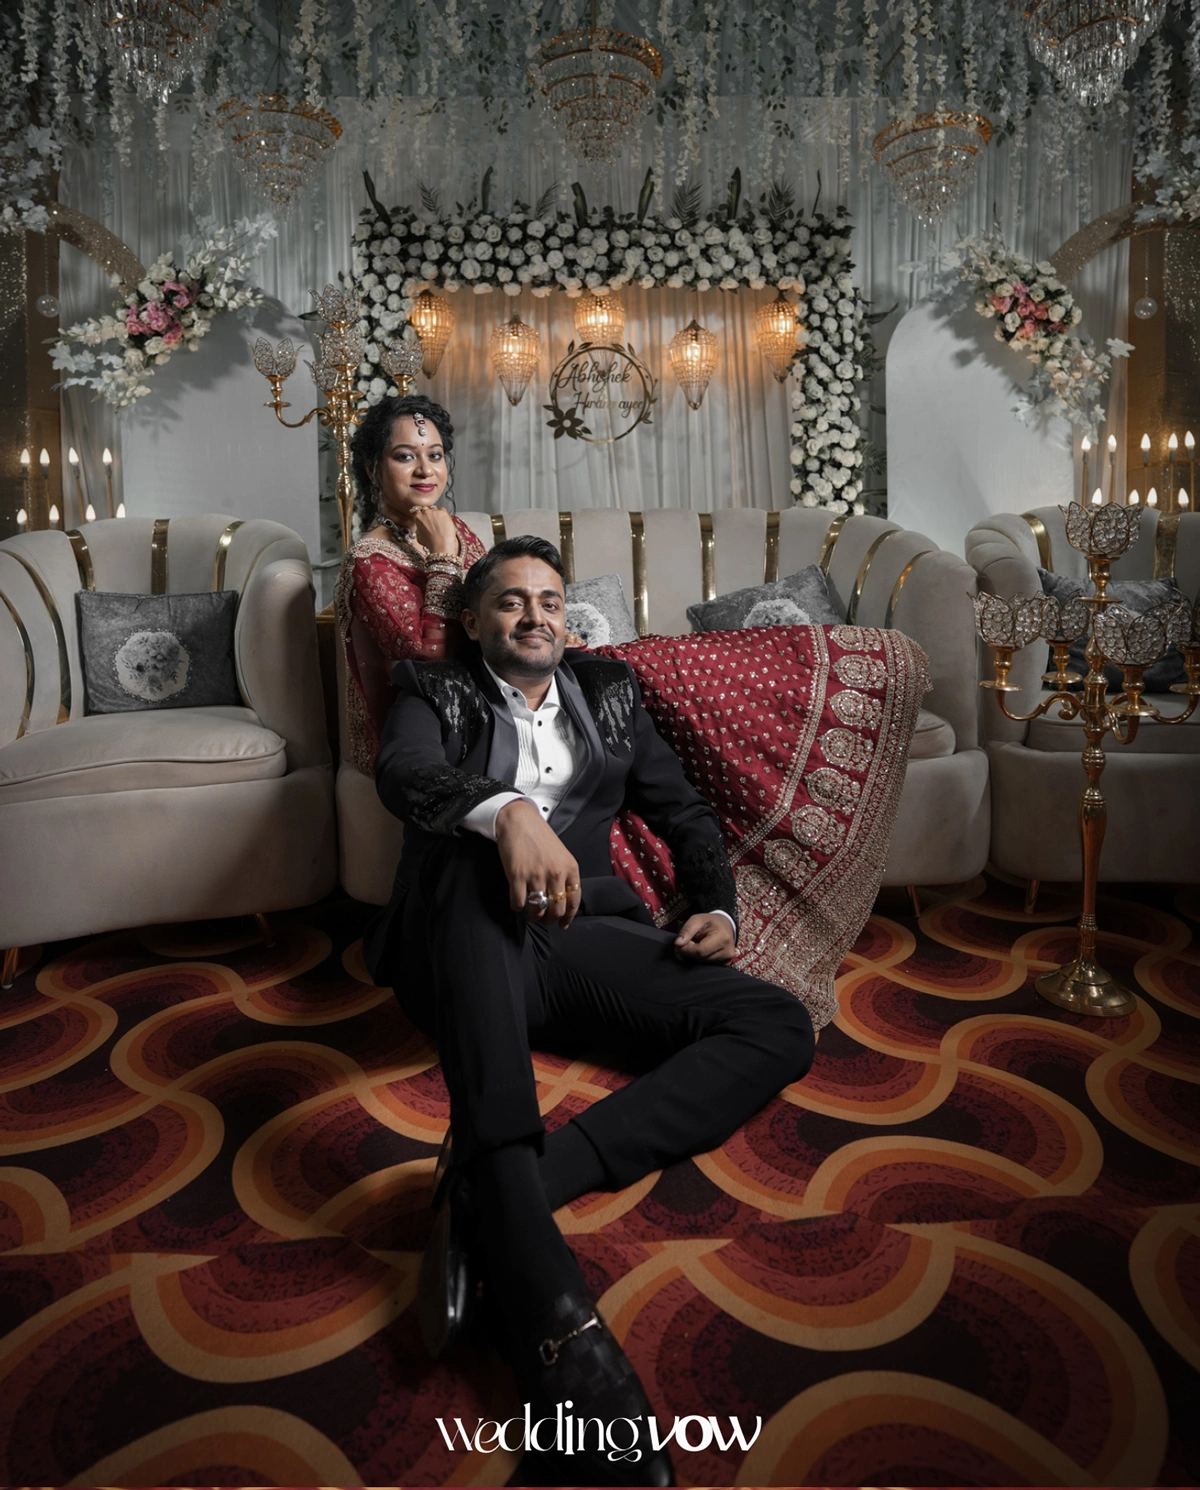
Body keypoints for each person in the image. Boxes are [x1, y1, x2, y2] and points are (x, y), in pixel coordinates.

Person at [364, 536, 815, 1486]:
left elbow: (683, 811)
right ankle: (553, 1315)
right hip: (458, 943)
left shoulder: (608, 692)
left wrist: (717, 906)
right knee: (467, 864)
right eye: (511, 601)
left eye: (550, 601)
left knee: (776, 1024)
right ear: (473, 621)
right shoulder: (430, 687)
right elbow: (404, 775)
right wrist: (508, 814)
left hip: (577, 939)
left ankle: (498, 1194)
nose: (536, 616)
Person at [335, 394, 487, 774]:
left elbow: (495, 604)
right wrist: (443, 557)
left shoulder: (456, 529)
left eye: (435, 455)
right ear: (373, 468)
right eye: (405, 456)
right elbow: (429, 664)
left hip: (489, 694)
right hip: (424, 731)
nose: (425, 470)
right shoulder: (369, 560)